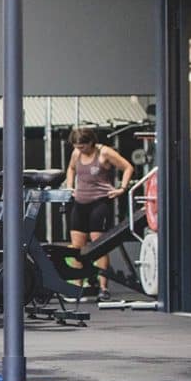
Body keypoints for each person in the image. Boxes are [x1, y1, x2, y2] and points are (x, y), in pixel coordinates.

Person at [65, 127, 133, 301]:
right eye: (77, 147)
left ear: (91, 143)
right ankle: (76, 288)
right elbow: (71, 169)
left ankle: (103, 288)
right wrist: (70, 186)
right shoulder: (76, 153)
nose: (80, 150)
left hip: (100, 203)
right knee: (76, 248)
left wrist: (122, 189)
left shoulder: (104, 153)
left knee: (99, 246)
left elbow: (127, 167)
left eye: (83, 147)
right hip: (80, 204)